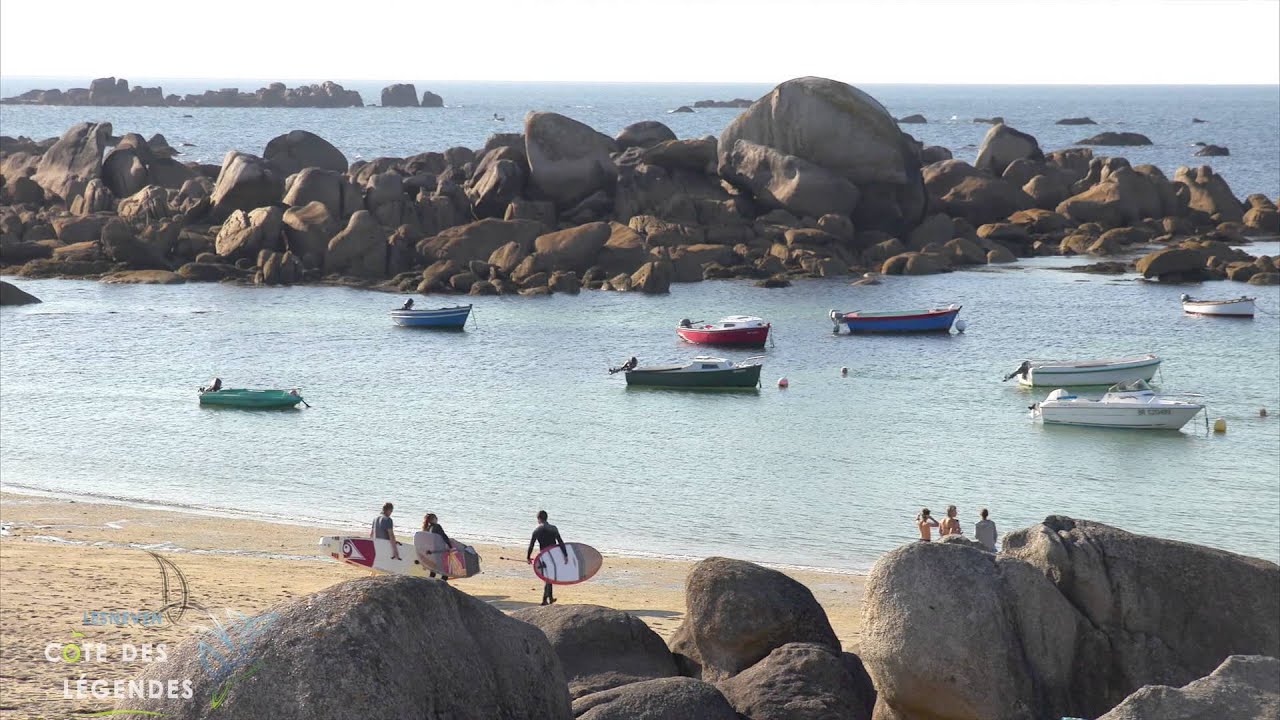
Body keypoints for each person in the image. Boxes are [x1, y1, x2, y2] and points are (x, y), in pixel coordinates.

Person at [527, 510, 568, 606]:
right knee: (549, 577)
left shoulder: (537, 530)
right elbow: (560, 542)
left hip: (544, 556)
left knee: (548, 577)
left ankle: (547, 599)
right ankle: (547, 599)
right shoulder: (553, 528)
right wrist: (565, 555)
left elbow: (531, 545)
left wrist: (528, 557)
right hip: (554, 555)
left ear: (539, 519)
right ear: (546, 518)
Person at [422, 513, 453, 581]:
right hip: (438, 551)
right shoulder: (437, 526)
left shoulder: (427, 528)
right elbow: (444, 536)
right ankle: (443, 585)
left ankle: (429, 583)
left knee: (433, 571)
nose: (437, 520)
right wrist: (450, 546)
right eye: (436, 518)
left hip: (431, 551)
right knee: (445, 571)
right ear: (433, 519)